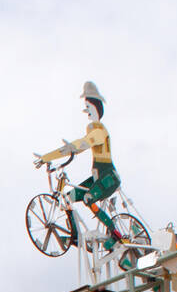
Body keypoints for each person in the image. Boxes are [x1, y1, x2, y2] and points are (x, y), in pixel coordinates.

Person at [34, 81, 121, 251]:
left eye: (88, 106)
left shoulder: (98, 130)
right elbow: (81, 145)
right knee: (68, 197)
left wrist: (70, 148)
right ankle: (75, 236)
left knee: (89, 198)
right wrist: (47, 157)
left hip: (108, 177)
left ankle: (115, 233)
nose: (86, 110)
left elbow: (84, 143)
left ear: (96, 106)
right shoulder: (92, 129)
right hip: (97, 177)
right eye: (85, 107)